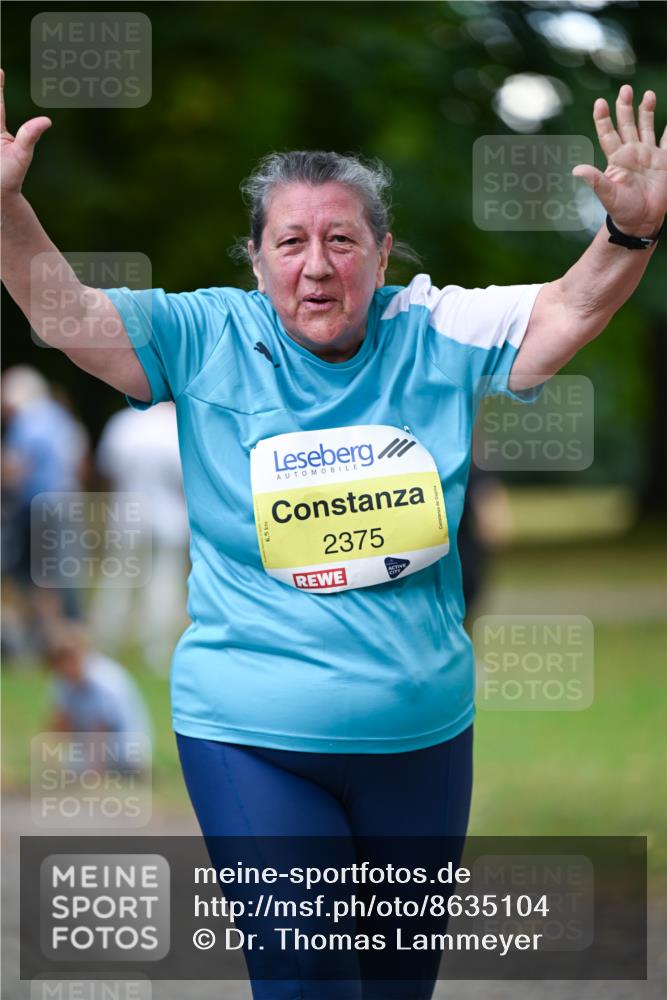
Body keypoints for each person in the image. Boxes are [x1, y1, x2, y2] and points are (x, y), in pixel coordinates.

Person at [1, 67, 664, 998]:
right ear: (256, 259)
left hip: (422, 738)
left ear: (382, 256)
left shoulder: (434, 326)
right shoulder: (205, 335)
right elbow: (62, 310)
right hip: (249, 732)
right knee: (307, 977)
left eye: (342, 240)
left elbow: (568, 308)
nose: (316, 264)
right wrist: (5, 206)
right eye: (291, 241)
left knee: (397, 988)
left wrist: (627, 231)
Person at [90, 401, 189, 673]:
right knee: (164, 583)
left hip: (128, 514)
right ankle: (156, 649)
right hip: (169, 517)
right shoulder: (177, 424)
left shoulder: (124, 423)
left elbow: (107, 471)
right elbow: (187, 478)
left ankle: (105, 642)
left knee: (118, 579)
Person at [43, 618, 152, 774]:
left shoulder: (103, 681)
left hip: (126, 748)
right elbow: (60, 721)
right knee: (70, 765)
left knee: (75, 768)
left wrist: (94, 772)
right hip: (95, 746)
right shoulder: (66, 681)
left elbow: (101, 730)